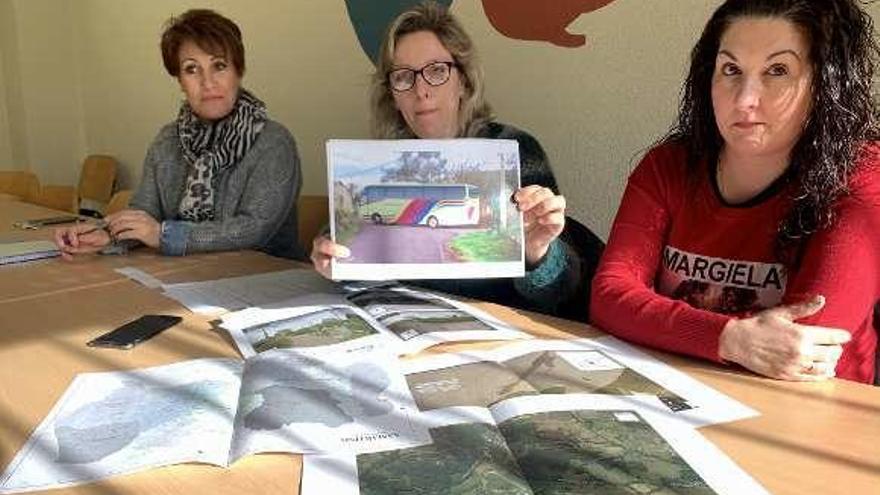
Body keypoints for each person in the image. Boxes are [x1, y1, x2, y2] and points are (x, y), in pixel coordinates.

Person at [591, 0, 879, 384]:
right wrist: (730, 339)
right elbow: (609, 298)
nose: (744, 99)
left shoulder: (864, 175)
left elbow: (803, 345)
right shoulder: (669, 165)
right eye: (731, 70)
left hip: (806, 416)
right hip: (671, 389)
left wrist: (658, 322)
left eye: (777, 71)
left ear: (826, 84)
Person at [311, 1, 601, 320]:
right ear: (392, 93)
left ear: (463, 80)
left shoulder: (515, 151)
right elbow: (362, 264)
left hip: (504, 335)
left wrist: (538, 254)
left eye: (436, 71)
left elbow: (561, 292)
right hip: (412, 330)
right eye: (404, 77)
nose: (421, 90)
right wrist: (333, 257)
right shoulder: (383, 165)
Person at [55, 9, 304, 260]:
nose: (208, 82)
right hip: (186, 275)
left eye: (219, 66)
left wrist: (165, 236)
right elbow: (145, 213)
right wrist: (107, 235)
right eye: (192, 69)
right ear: (180, 81)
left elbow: (254, 229)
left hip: (265, 280)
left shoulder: (274, 142)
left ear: (238, 72)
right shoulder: (167, 141)